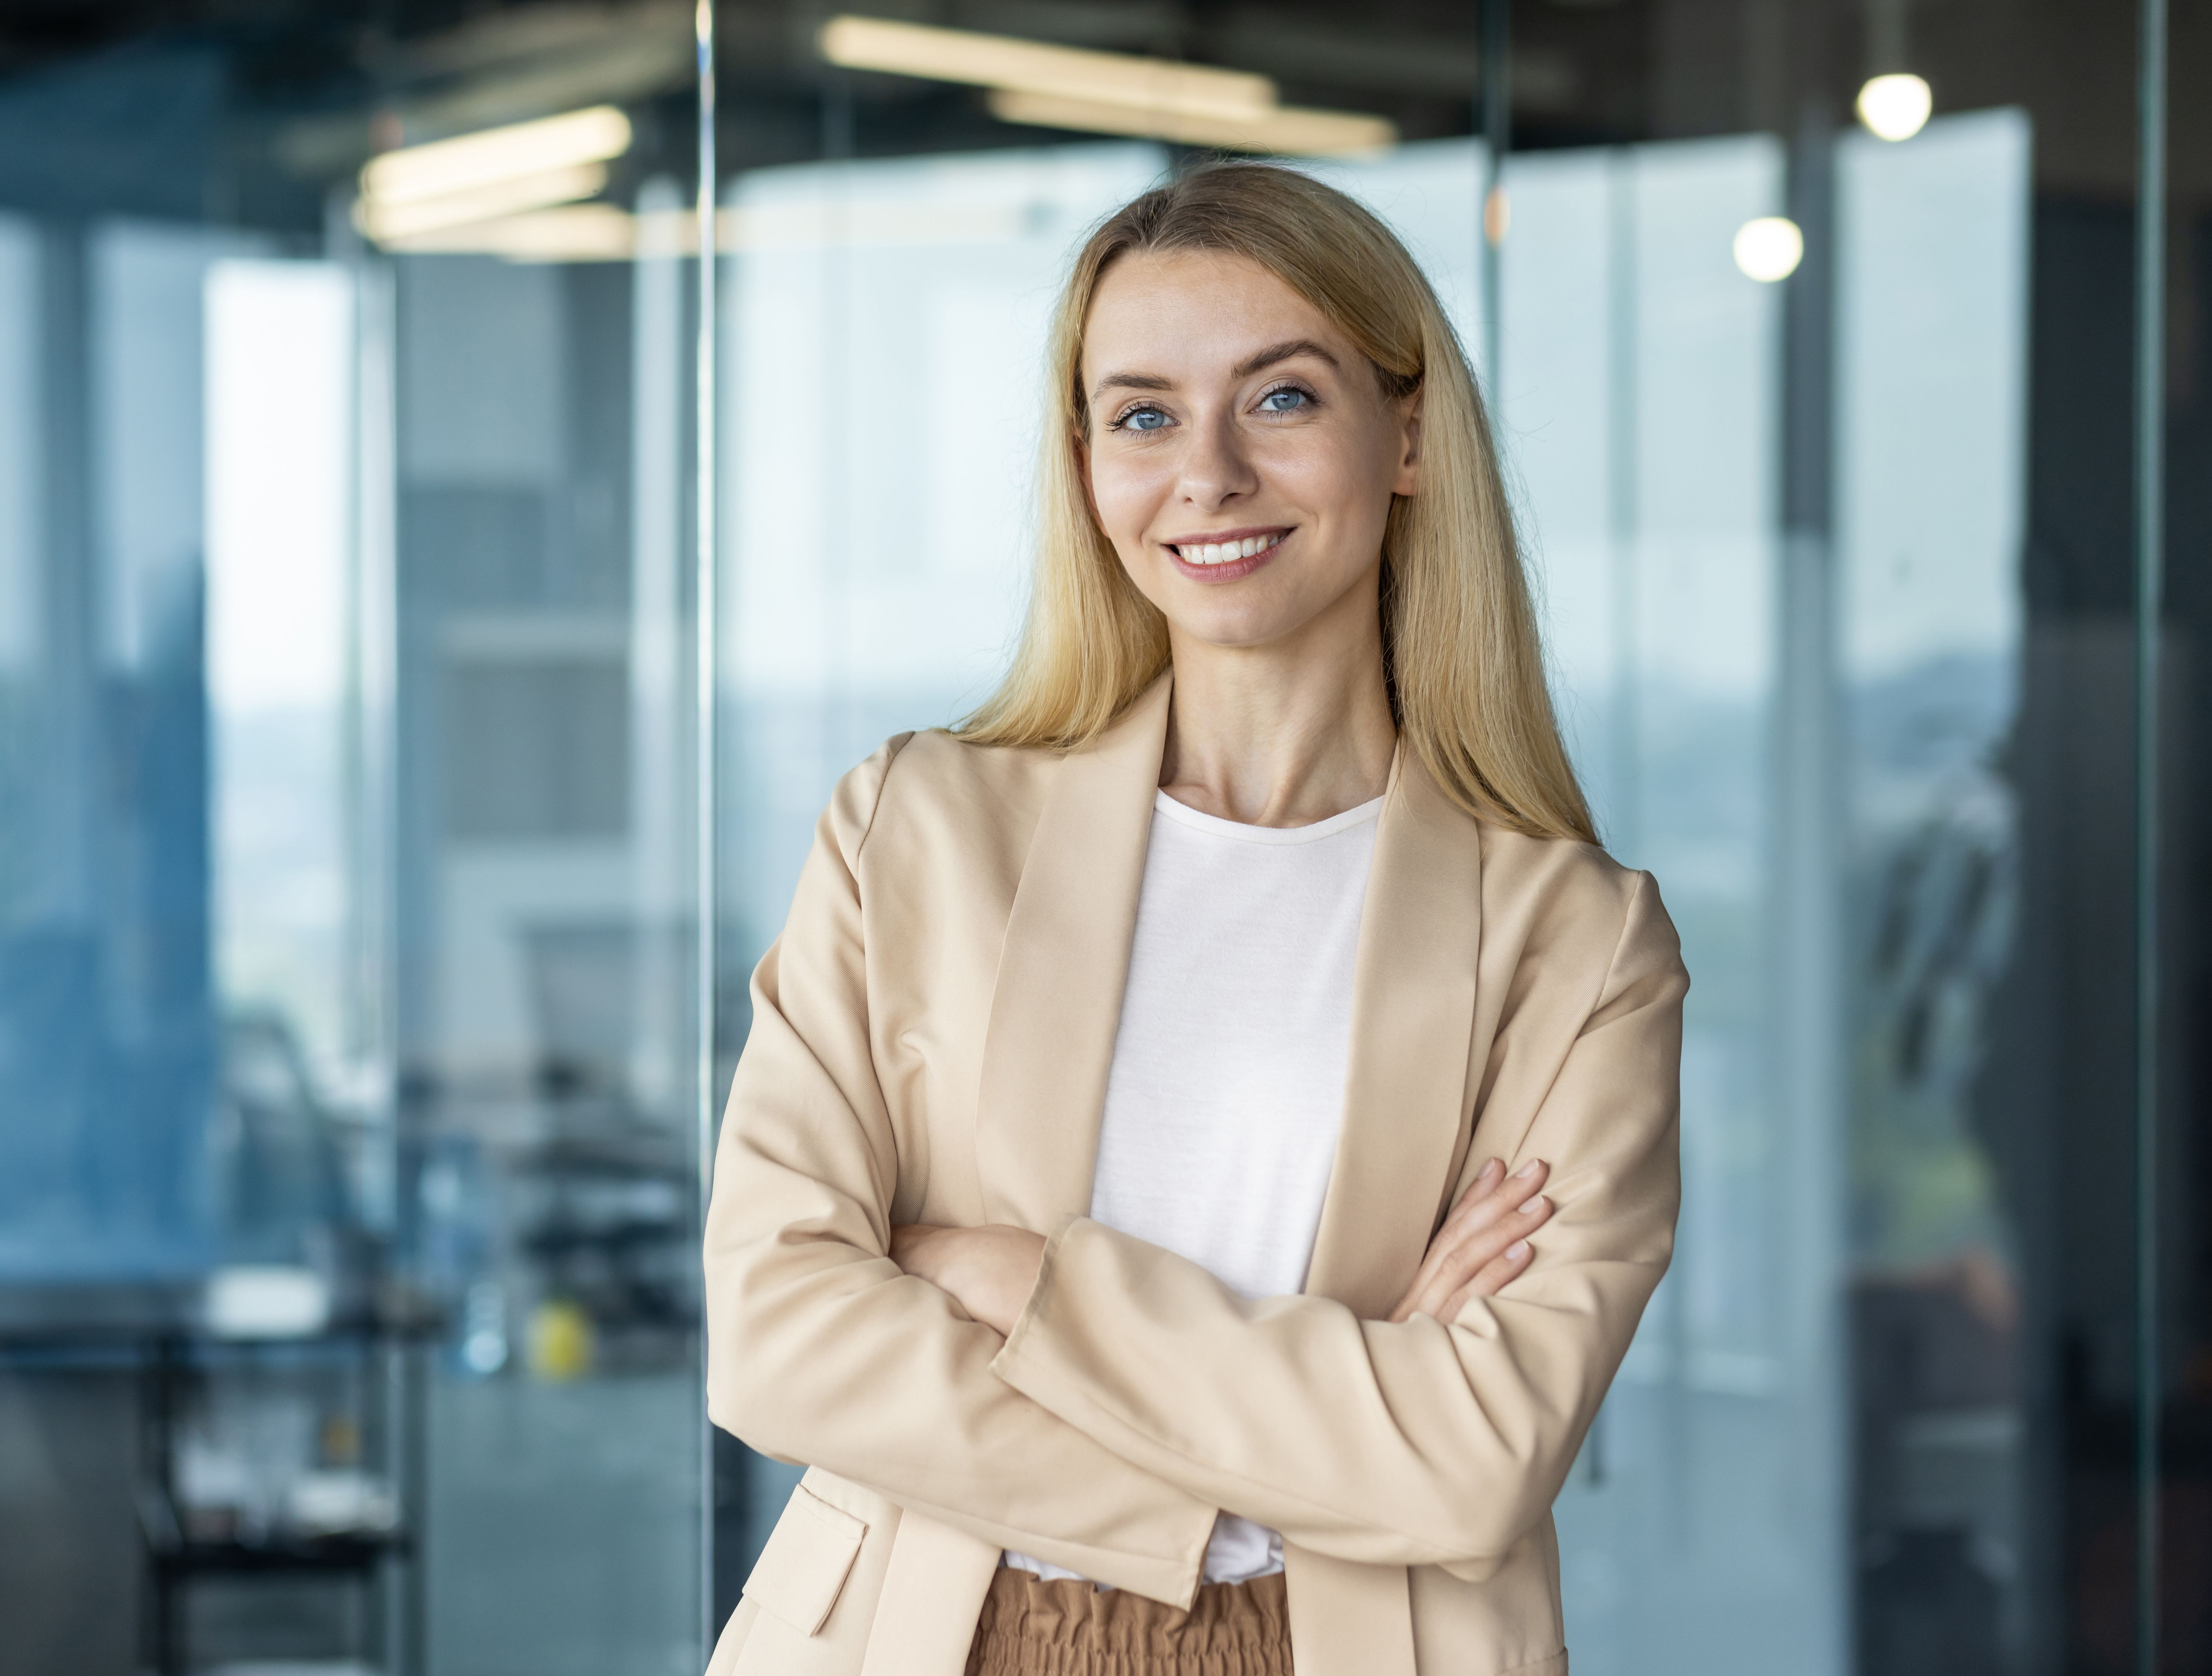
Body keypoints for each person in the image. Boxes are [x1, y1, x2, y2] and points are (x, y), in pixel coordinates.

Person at [703, 161, 1686, 1676]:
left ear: (1408, 430)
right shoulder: (916, 829)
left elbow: (1477, 1459)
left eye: (1282, 399)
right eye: (1144, 414)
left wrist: (1023, 1283)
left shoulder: (1577, 943)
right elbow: (777, 1334)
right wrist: (1325, 1439)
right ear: (1087, 462)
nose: (1206, 475)